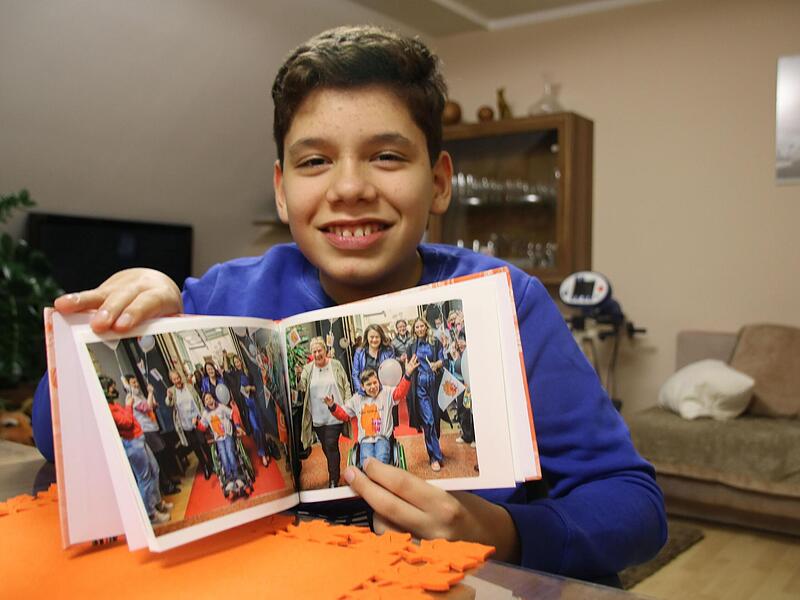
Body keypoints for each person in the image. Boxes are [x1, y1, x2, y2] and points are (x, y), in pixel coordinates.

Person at [37, 25, 666, 583]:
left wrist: (505, 532)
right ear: (282, 191)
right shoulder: (218, 298)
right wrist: (126, 324)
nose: (350, 188)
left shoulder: (511, 304)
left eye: (387, 156)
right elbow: (50, 435)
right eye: (315, 161)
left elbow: (633, 505)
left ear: (439, 181)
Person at [100, 375, 171, 524]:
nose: (115, 388)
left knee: (155, 469)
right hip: (132, 444)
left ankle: (157, 502)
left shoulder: (115, 405)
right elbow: (126, 422)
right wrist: (128, 406)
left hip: (140, 439)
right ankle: (150, 514)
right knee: (144, 479)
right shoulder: (108, 409)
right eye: (112, 387)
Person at [326, 356, 418, 466]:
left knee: (381, 458)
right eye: (369, 384)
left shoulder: (386, 393)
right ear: (362, 386)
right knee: (367, 462)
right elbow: (343, 415)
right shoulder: (357, 399)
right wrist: (332, 406)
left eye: (375, 383)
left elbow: (400, 392)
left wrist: (407, 375)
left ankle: (380, 480)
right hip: (365, 440)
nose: (373, 386)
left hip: (382, 437)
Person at [297, 337, 352, 488]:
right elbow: (302, 387)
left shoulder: (335, 364)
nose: (317, 354)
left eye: (319, 350)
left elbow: (346, 384)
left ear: (325, 350)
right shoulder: (308, 369)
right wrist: (297, 376)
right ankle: (335, 470)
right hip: (317, 416)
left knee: (331, 444)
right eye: (314, 351)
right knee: (326, 447)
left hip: (335, 413)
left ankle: (333, 479)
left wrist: (347, 405)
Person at [126, 374, 179, 496]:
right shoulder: (131, 398)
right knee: (158, 459)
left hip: (153, 428)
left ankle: (170, 480)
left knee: (163, 455)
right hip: (147, 431)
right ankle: (167, 486)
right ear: (128, 385)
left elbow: (151, 406)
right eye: (133, 383)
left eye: (136, 382)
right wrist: (150, 393)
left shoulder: (139, 395)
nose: (136, 384)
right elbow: (147, 407)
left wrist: (152, 400)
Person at [406, 317, 446, 472]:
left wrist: (437, 363)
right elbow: (410, 366)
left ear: (426, 327)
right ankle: (434, 456)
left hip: (435, 385)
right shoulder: (411, 346)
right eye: (417, 327)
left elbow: (443, 358)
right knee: (428, 421)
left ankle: (436, 449)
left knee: (435, 420)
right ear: (414, 330)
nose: (420, 329)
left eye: (422, 326)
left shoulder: (435, 342)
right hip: (420, 387)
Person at [196, 392, 246, 497]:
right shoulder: (205, 413)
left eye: (210, 398)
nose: (209, 400)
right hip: (218, 438)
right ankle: (229, 479)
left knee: (230, 453)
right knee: (223, 456)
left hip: (227, 434)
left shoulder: (221, 407)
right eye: (206, 399)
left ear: (214, 398)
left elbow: (233, 414)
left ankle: (237, 477)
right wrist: (196, 423)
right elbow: (203, 427)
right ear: (204, 403)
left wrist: (237, 426)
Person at [166, 370, 213, 479]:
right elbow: (169, 403)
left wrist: (203, 415)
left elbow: (198, 400)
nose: (177, 380)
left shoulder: (189, 386)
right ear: (172, 381)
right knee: (195, 446)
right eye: (174, 379)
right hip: (185, 424)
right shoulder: (172, 391)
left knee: (203, 442)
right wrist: (168, 396)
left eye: (178, 377)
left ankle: (212, 463)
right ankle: (205, 466)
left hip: (197, 419)